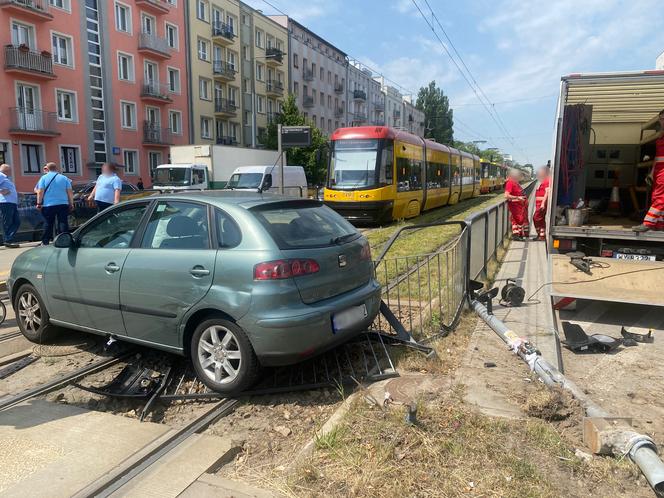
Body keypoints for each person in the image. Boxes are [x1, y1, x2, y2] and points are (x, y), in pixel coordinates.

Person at [634, 109, 664, 232]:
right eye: (661, 119)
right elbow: (658, 157)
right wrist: (652, 173)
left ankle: (648, 223)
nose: (662, 121)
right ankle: (659, 224)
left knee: (660, 197)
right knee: (656, 197)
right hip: (658, 170)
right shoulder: (661, 134)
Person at [36, 162, 74, 245]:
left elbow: (40, 191)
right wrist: (71, 203)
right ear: (56, 168)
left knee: (48, 223)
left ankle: (45, 241)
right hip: (63, 204)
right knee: (63, 222)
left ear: (48, 169)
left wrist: (39, 203)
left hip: (48, 205)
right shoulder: (64, 178)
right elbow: (70, 192)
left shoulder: (44, 178)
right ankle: (64, 240)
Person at [505, 169, 529, 240]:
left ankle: (519, 235)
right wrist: (518, 198)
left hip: (519, 206)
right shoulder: (510, 183)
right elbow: (506, 195)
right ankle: (517, 235)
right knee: (518, 220)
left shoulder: (515, 183)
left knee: (519, 220)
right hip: (515, 206)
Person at [0, 164, 20, 248]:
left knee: (17, 222)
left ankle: (9, 238)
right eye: (10, 169)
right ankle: (8, 240)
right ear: (6, 170)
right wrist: (1, 191)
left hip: (12, 203)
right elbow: (4, 190)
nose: (11, 171)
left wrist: (18, 194)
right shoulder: (1, 175)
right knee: (7, 222)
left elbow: (9, 190)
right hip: (6, 202)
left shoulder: (6, 178)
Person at [532, 165, 551, 240]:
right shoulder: (546, 180)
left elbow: (547, 192)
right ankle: (542, 235)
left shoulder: (547, 181)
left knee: (535, 218)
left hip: (541, 204)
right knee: (541, 219)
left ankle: (540, 233)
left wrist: (543, 203)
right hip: (539, 204)